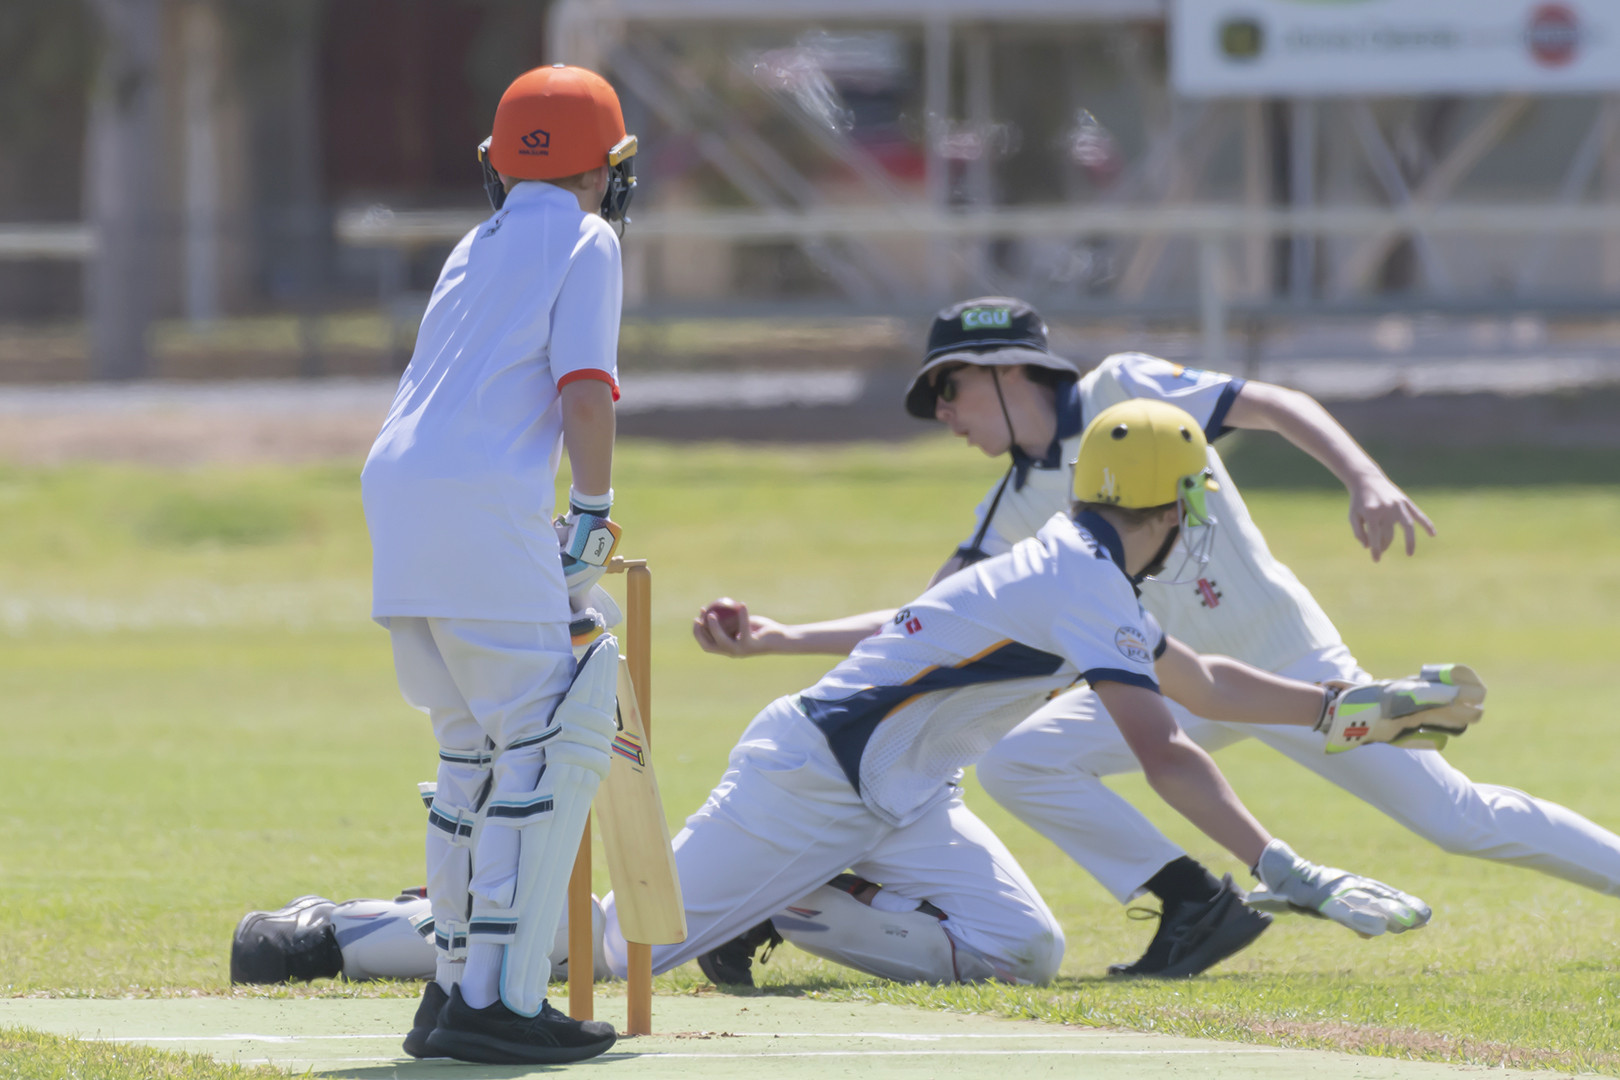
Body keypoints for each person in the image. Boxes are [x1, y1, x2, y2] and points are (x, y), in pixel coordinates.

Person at [694, 295, 1620, 981]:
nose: (944, 415)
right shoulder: (1015, 501)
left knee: (1456, 819)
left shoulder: (1128, 394)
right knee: (1021, 760)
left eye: (951, 388)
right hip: (1171, 686)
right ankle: (1193, 904)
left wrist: (1364, 478)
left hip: (1288, 669)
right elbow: (924, 624)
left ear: (1013, 369)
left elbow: (1279, 404)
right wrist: (781, 638)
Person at [593, 399, 1477, 989]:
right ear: (1173, 507)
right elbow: (1164, 748)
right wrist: (1284, 868)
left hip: (901, 797)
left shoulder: (1084, 566)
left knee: (1021, 952)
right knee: (608, 951)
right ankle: (454, 923)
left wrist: (1340, 708)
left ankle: (797, 898)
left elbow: (1199, 684)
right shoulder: (1083, 582)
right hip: (811, 779)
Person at [324, 63, 633, 1066]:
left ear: (497, 167)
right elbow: (585, 391)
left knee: (471, 751)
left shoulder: (473, 243)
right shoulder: (588, 237)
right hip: (482, 501)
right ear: (607, 170)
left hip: (398, 490)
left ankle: (451, 994)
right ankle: (498, 1002)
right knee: (552, 736)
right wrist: (591, 511)